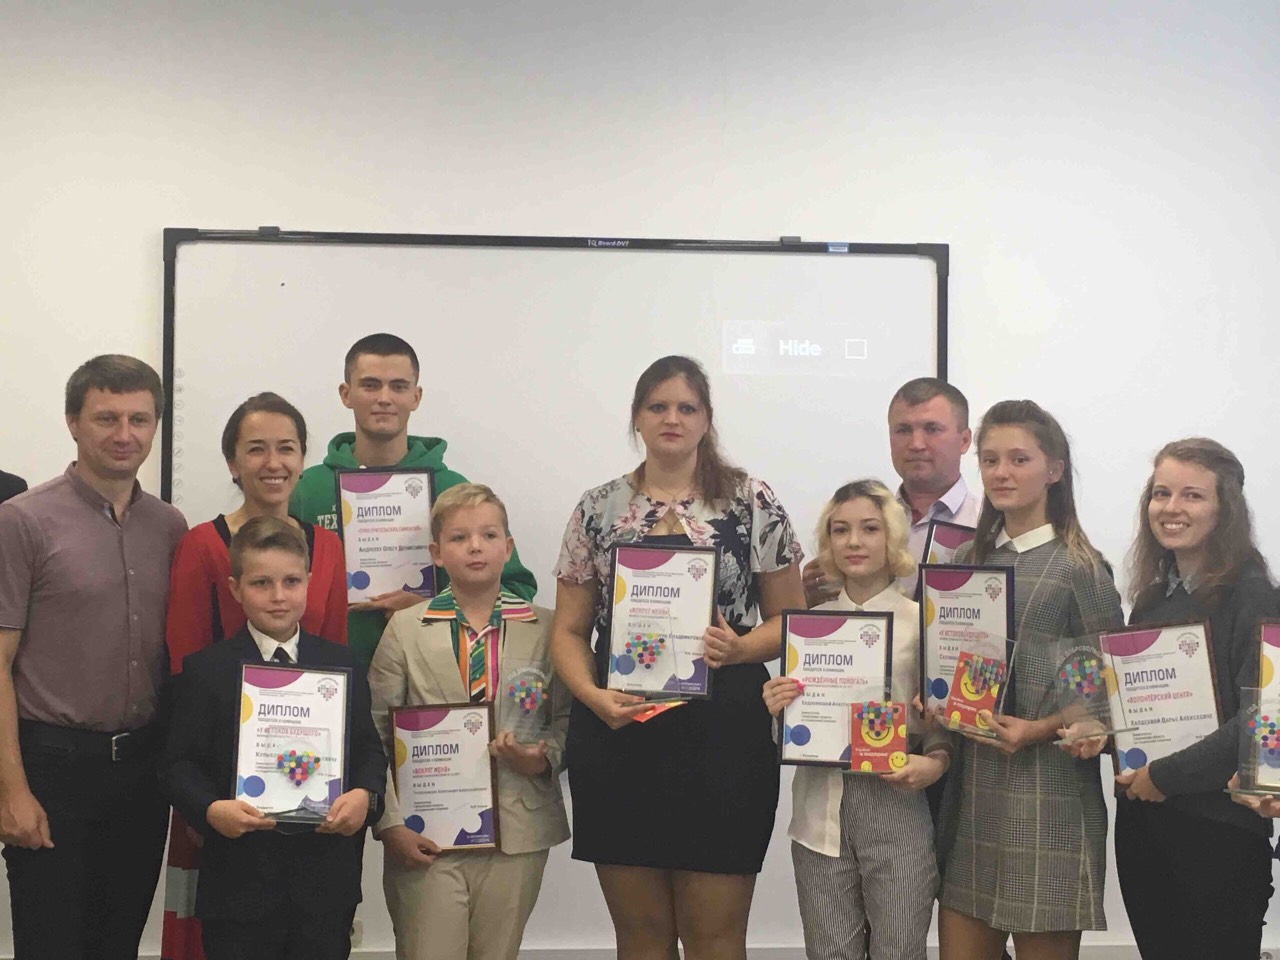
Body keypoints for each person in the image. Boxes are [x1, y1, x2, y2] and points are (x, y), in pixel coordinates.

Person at [550, 355, 805, 960]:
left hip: (724, 736)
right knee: (640, 936)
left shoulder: (751, 501)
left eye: (687, 408)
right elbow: (568, 631)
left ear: (706, 420)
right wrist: (592, 697)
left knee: (715, 935)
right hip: (618, 728)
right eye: (658, 406)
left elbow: (794, 623)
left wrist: (741, 647)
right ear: (637, 417)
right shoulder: (597, 507)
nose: (672, 418)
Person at [0, 355, 188, 959]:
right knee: (50, 946)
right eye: (107, 418)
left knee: (118, 945)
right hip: (52, 770)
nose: (125, 434)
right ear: (73, 422)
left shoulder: (170, 526)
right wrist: (11, 790)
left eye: (139, 419)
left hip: (141, 774)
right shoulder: (21, 521)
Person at [162, 392, 348, 960]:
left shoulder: (328, 547)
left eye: (286, 448)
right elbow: (184, 665)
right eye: (256, 449)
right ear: (232, 462)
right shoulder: (201, 544)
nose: (273, 463)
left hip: (307, 780)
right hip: (223, 784)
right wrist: (200, 801)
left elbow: (334, 664)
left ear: (303, 458)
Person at [936, 400, 1124, 960]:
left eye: (1019, 459)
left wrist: (1039, 729)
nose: (1001, 472)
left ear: (1054, 470)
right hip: (974, 798)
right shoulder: (968, 561)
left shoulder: (1079, 567)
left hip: (1050, 800)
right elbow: (948, 662)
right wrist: (934, 693)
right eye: (990, 459)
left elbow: (1104, 688)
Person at [160, 517, 386, 960]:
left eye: (291, 581)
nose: (278, 596)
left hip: (325, 883)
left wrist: (365, 796)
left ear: (309, 582)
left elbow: (368, 751)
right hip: (239, 885)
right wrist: (210, 809)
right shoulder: (206, 670)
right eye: (261, 583)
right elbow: (177, 765)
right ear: (235, 588)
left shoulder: (343, 664)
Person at [368, 484, 570, 960]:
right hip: (426, 831)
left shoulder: (548, 628)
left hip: (517, 829)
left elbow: (566, 717)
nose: (475, 546)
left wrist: (542, 758)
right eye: (459, 538)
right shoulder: (404, 628)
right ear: (437, 553)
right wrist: (390, 824)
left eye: (488, 535)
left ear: (508, 547)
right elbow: (375, 732)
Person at [763, 480, 950, 960]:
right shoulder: (807, 626)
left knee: (899, 952)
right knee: (829, 954)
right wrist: (778, 708)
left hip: (896, 804)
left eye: (870, 528)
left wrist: (935, 761)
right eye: (840, 530)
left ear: (892, 537)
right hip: (817, 812)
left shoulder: (922, 623)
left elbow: (940, 724)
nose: (854, 542)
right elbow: (793, 731)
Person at [1112, 439, 1276, 959]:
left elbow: (1262, 719)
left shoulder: (1254, 594)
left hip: (1218, 834)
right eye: (1161, 493)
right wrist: (1100, 729)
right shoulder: (1151, 599)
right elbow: (1138, 706)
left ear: (1225, 508)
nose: (1171, 508)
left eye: (1192, 495)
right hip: (1145, 826)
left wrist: (1165, 775)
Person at [290, 333, 537, 668]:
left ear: (416, 396)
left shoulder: (453, 490)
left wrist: (432, 608)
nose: (384, 398)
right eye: (370, 385)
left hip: (434, 677)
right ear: (346, 394)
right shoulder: (307, 490)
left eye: (399, 386)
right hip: (329, 673)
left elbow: (517, 591)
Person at [804, 377, 980, 605]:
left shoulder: (988, 525)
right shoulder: (861, 522)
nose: (916, 444)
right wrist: (811, 600)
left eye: (932, 429)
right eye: (903, 430)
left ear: (964, 440)